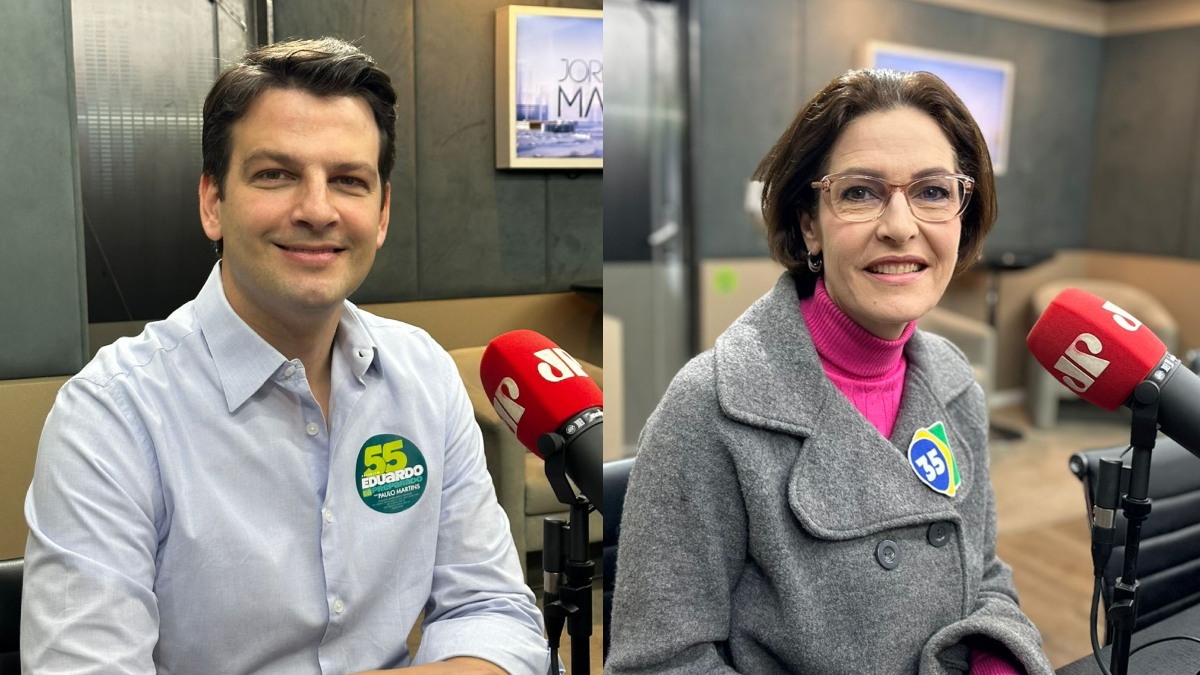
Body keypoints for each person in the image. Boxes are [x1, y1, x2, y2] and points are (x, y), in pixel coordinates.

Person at [22, 38, 550, 675]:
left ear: (381, 214)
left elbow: (491, 610)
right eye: (276, 174)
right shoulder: (112, 415)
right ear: (213, 202)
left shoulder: (423, 375)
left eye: (349, 181)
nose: (317, 210)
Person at [607, 69, 1054, 675]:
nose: (900, 225)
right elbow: (657, 663)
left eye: (932, 191)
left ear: (962, 215)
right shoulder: (708, 407)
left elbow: (984, 574)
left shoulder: (952, 382)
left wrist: (997, 659)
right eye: (861, 193)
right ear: (809, 223)